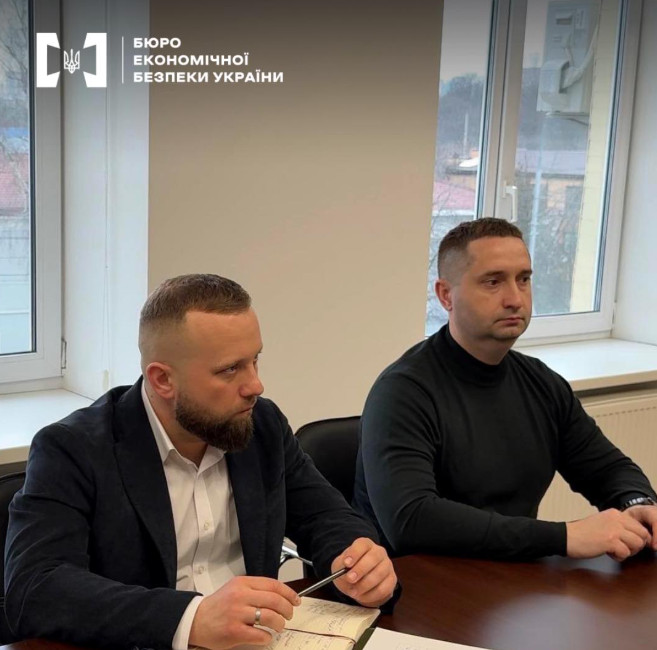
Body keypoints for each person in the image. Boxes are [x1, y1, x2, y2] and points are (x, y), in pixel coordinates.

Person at [5, 274, 397, 650]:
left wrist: (356, 557)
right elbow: (36, 588)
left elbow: (324, 516)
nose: (255, 385)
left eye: (255, 360)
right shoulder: (73, 449)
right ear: (162, 380)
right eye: (230, 369)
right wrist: (191, 618)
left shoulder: (262, 426)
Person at [353, 218, 657, 562]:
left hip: (512, 576)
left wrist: (638, 502)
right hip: (418, 583)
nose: (514, 298)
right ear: (446, 295)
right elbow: (412, 520)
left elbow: (607, 468)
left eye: (523, 279)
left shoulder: (542, 383)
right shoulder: (402, 392)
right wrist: (564, 536)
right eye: (493, 282)